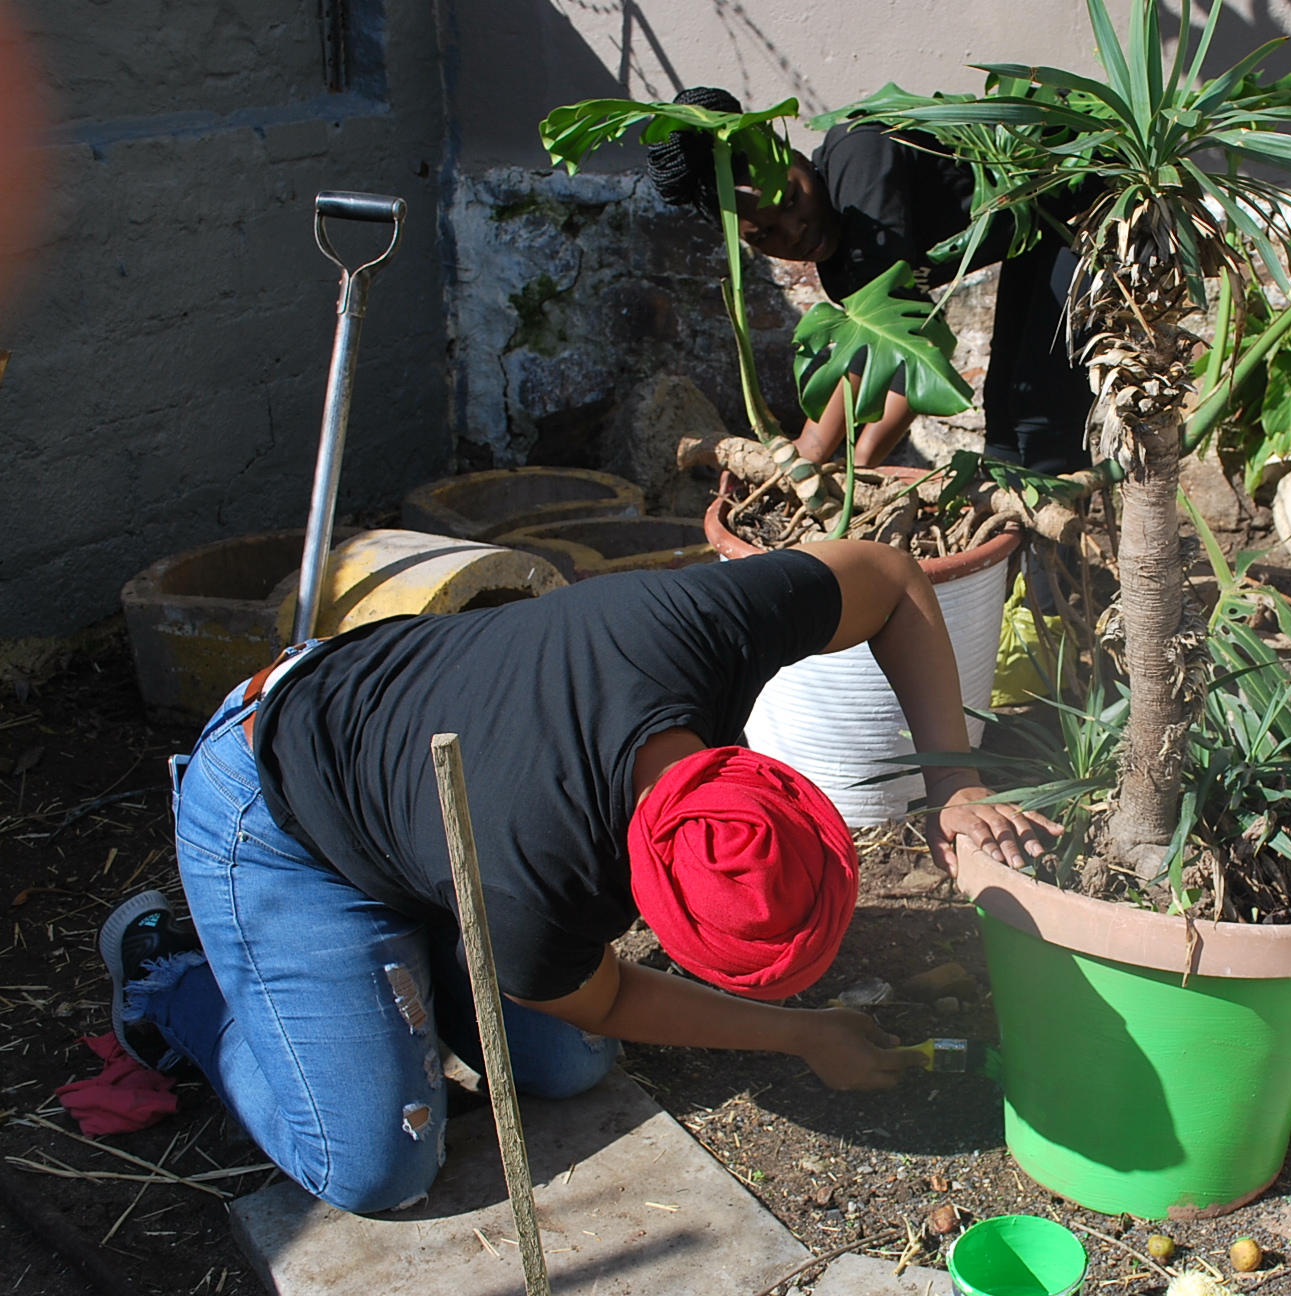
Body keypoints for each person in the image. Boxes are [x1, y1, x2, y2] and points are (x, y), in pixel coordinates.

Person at [99, 540, 1056, 1214]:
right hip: (279, 811)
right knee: (377, 1165)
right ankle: (169, 977)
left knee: (566, 1067)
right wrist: (802, 1036)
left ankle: (400, 971)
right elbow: (602, 996)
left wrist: (954, 783)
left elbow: (888, 578)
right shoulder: (532, 880)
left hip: (423, 781)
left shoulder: (701, 625)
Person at [647, 87, 1095, 474]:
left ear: (797, 158)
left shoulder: (858, 158)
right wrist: (856, 471)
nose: (793, 231)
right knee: (1004, 418)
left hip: (1094, 194)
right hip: (1037, 230)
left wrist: (816, 454)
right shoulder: (839, 267)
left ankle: (1060, 567)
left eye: (790, 202)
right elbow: (904, 363)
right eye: (763, 235)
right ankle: (1014, 564)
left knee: (1040, 417)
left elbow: (905, 348)